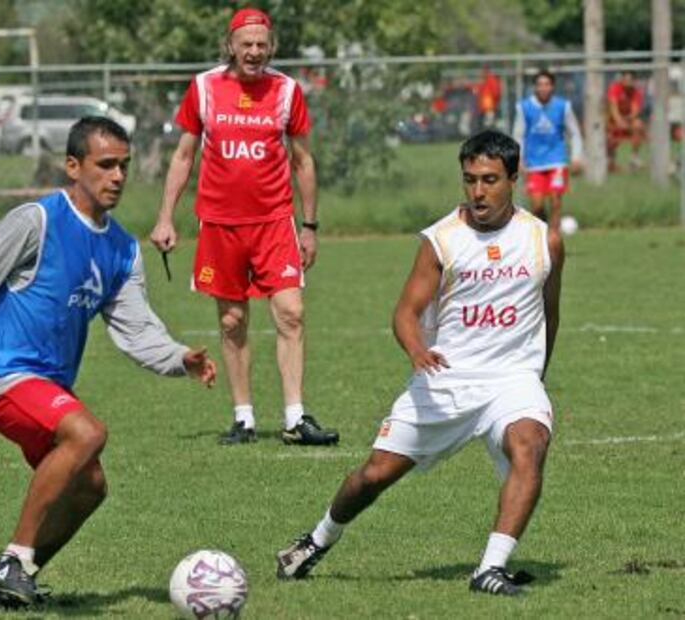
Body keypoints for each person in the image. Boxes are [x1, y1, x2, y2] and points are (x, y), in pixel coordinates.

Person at [0, 116, 217, 610]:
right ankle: (12, 560)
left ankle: (16, 581)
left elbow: (135, 327)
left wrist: (177, 357)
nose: (118, 176)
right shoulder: (37, 221)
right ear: (72, 166)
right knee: (87, 434)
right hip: (2, 374)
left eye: (124, 166)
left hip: (46, 384)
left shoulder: (123, 248)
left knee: (90, 488)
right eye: (105, 165)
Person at [277, 130, 564, 597]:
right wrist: (416, 350)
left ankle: (489, 569)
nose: (477, 192)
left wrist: (536, 378)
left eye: (490, 180)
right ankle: (317, 539)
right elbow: (405, 313)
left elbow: (550, 311)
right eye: (469, 180)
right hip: (443, 379)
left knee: (530, 445)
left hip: (511, 379)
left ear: (514, 179)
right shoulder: (441, 240)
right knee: (374, 475)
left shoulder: (543, 240)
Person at [150, 7, 338, 447]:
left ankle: (295, 417)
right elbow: (183, 157)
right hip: (219, 224)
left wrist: (308, 225)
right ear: (230, 45)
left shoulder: (288, 91)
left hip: (275, 222)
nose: (254, 52)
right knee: (233, 321)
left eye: (261, 45)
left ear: (270, 47)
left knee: (291, 312)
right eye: (246, 44)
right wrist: (165, 217)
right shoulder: (204, 88)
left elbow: (303, 161)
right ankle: (244, 417)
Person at [513, 69, 583, 231]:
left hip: (556, 160)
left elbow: (575, 133)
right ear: (534, 87)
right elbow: (519, 135)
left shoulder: (562, 106)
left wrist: (576, 157)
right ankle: (543, 231)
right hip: (534, 163)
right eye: (540, 84)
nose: (543, 88)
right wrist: (519, 159)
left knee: (556, 201)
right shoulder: (524, 107)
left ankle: (553, 238)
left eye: (547, 84)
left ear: (552, 87)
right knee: (537, 205)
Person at [606, 70, 645, 171]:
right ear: (622, 80)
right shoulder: (614, 88)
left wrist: (627, 120)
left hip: (627, 120)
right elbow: (613, 108)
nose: (628, 82)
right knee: (608, 137)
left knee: (638, 124)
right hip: (612, 120)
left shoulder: (636, 92)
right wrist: (619, 121)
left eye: (630, 80)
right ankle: (610, 160)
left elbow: (635, 111)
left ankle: (634, 158)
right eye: (626, 79)